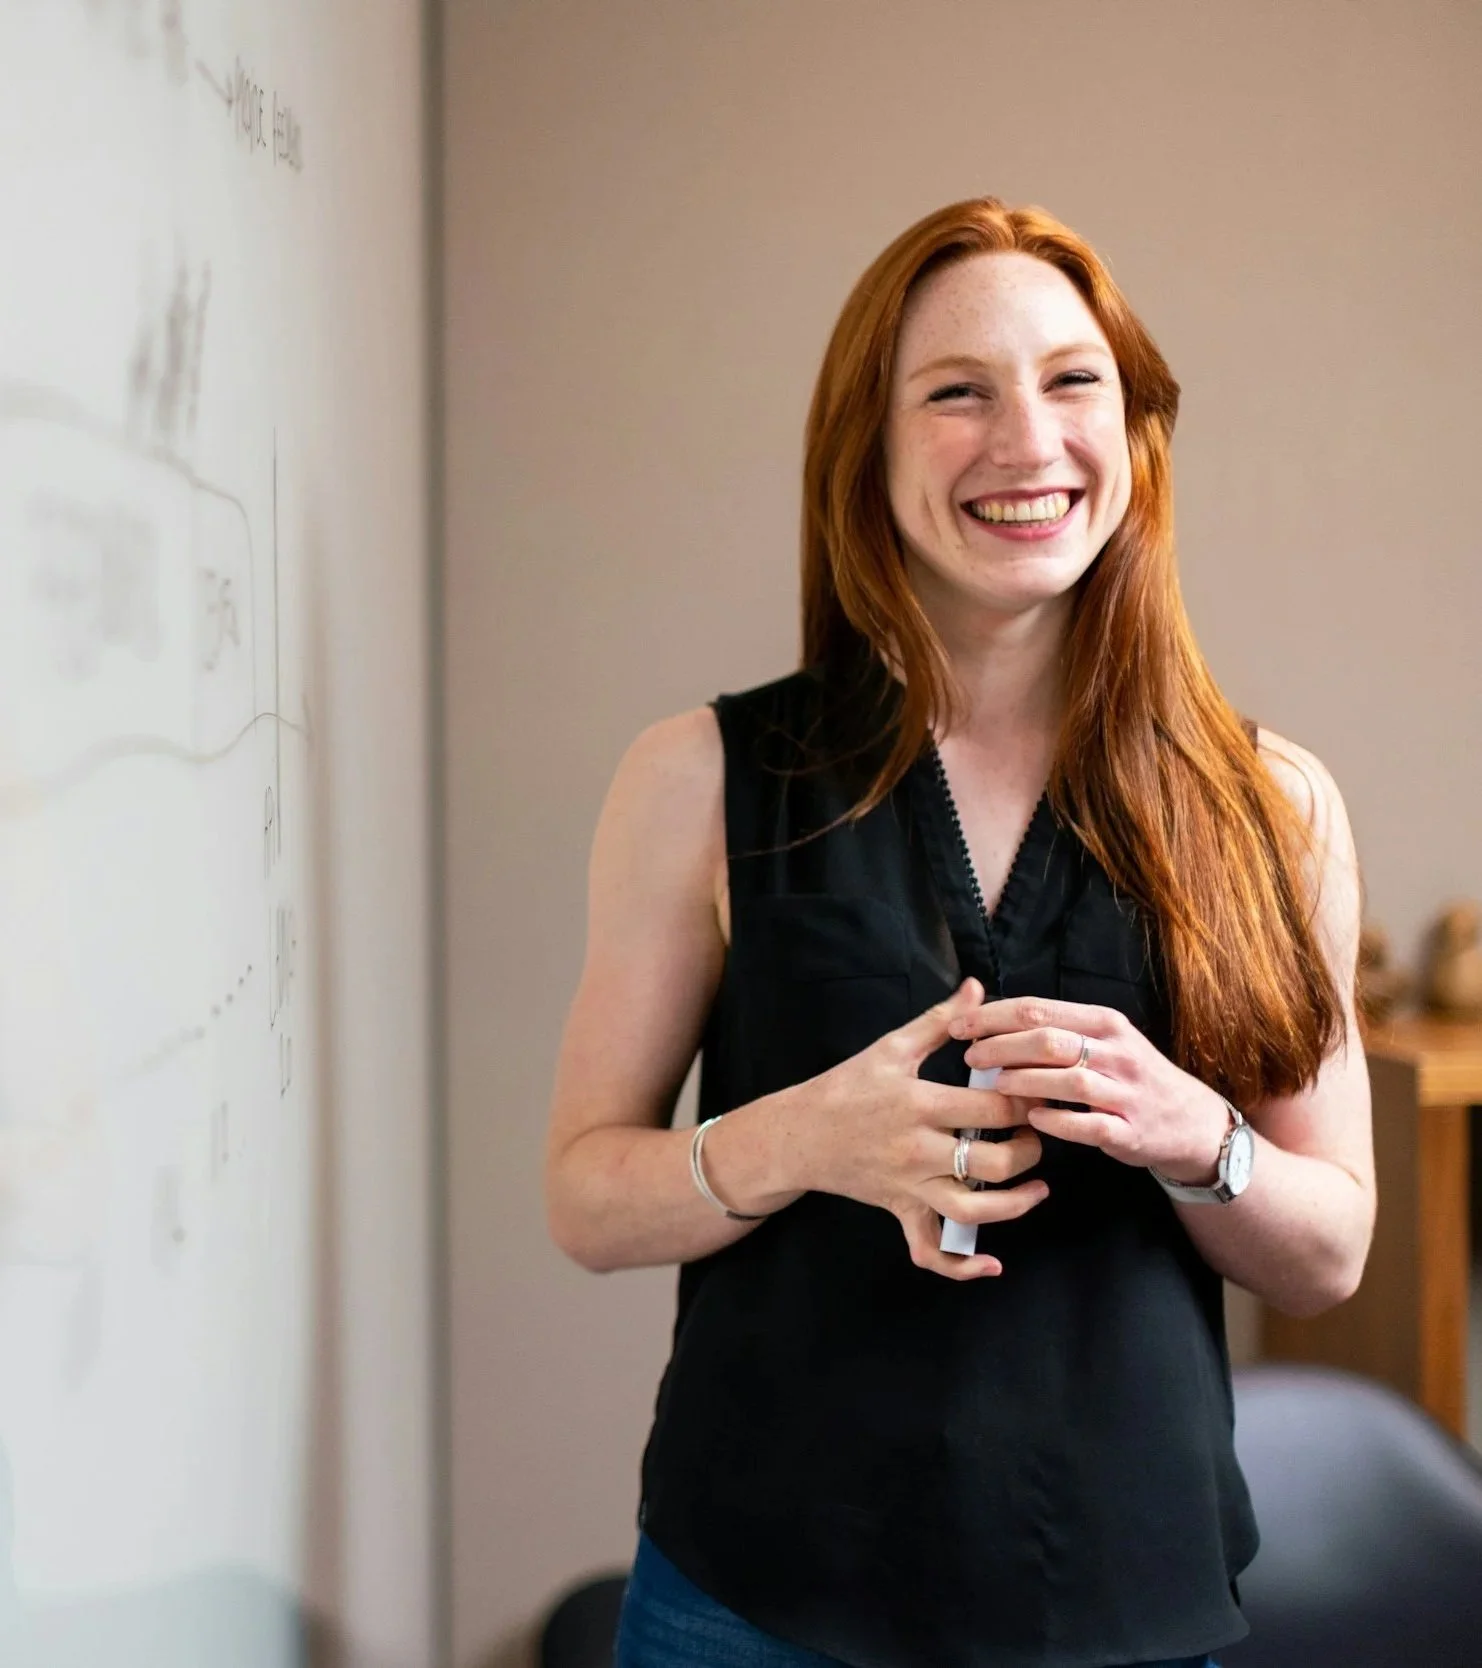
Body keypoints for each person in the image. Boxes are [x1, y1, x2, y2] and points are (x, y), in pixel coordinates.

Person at [543, 196, 1375, 1668]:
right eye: (956, 394)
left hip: (1123, 1606)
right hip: (753, 1604)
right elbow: (585, 1199)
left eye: (1071, 382)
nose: (1026, 441)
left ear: (1135, 431)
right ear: (863, 448)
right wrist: (797, 1141)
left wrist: (1197, 1136)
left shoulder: (1274, 805)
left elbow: (1329, 1252)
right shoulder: (699, 779)